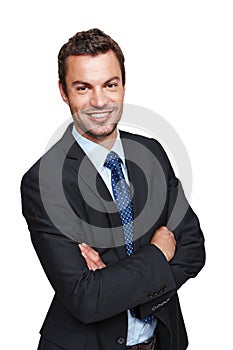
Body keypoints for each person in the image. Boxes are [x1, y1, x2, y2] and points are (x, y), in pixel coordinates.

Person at [21, 28, 205, 350]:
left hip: (163, 340)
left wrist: (117, 284)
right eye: (83, 87)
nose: (99, 101)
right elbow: (86, 298)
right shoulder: (44, 182)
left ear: (123, 85)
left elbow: (193, 249)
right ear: (63, 91)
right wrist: (159, 255)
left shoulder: (152, 154)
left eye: (110, 84)